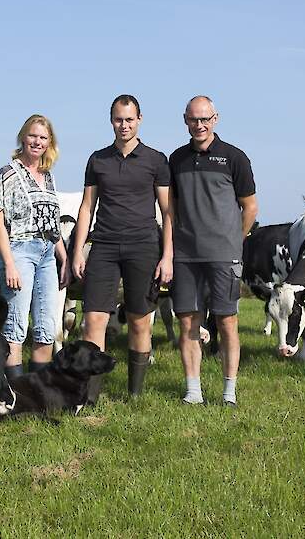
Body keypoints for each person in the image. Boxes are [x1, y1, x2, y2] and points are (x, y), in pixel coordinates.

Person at [72, 94, 172, 398]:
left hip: (143, 246)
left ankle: (135, 395)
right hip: (104, 245)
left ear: (139, 120)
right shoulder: (97, 159)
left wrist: (167, 256)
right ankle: (90, 396)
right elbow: (87, 207)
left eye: (129, 119)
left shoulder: (156, 160)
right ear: (111, 121)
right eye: (119, 119)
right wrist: (78, 250)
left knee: (140, 322)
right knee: (93, 320)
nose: (124, 125)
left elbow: (168, 212)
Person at [169, 95, 258, 406]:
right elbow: (172, 207)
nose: (199, 125)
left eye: (205, 119)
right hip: (186, 255)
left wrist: (235, 240)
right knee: (188, 323)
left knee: (226, 321)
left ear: (215, 119)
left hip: (224, 255)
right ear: (185, 120)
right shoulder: (176, 159)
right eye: (194, 119)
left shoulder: (235, 157)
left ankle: (229, 392)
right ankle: (193, 392)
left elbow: (250, 207)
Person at [0, 114, 69, 380]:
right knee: (16, 326)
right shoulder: (7, 174)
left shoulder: (48, 177)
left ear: (50, 143)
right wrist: (10, 264)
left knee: (46, 327)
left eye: (43, 137)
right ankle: (14, 393)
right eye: (33, 135)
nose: (37, 142)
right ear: (23, 138)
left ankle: (39, 393)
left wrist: (63, 258)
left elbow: (52, 225)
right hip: (19, 251)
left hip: (47, 254)